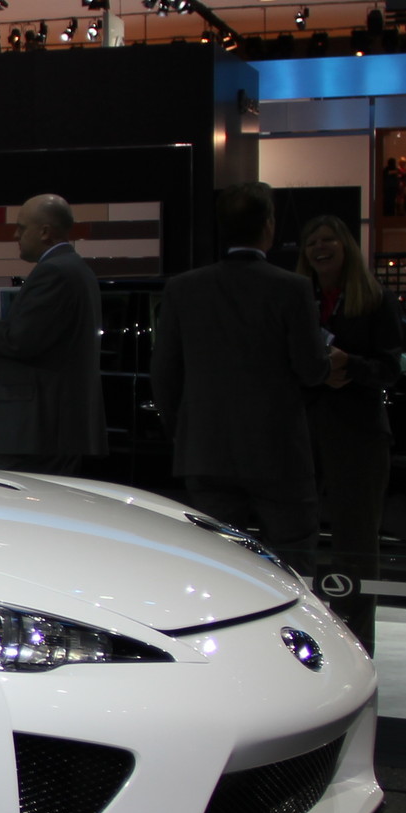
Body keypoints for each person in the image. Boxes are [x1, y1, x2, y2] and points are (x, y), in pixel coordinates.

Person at [152, 184, 342, 574]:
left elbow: (165, 375)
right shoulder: (292, 288)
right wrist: (328, 364)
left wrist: (185, 431)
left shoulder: (183, 288)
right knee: (293, 564)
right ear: (268, 226)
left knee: (216, 567)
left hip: (206, 451)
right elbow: (310, 369)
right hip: (278, 454)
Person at [300, 215, 406, 649]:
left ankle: (359, 642)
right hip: (306, 432)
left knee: (357, 543)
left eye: (328, 241)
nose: (319, 248)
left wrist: (349, 365)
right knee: (298, 536)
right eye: (311, 243)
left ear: (346, 247)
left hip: (359, 435)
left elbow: (390, 369)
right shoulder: (297, 296)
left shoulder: (375, 299)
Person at [0, 194, 106, 474]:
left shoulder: (53, 272)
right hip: (54, 428)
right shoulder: (75, 269)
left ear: (44, 231)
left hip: (35, 432)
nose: (15, 235)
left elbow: (20, 342)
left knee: (18, 509)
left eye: (21, 227)